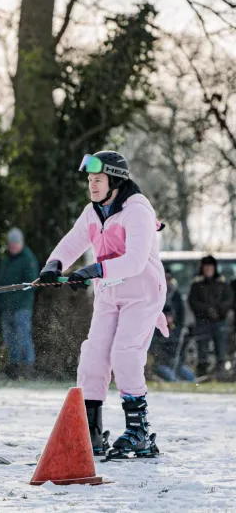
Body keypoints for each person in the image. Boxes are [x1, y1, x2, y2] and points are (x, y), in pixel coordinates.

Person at [38, 150, 167, 459]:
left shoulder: (137, 210)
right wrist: (53, 266)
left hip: (143, 293)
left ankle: (139, 432)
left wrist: (93, 269)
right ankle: (92, 432)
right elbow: (72, 242)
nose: (92, 186)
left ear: (116, 180)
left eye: (98, 180)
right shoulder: (93, 211)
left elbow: (135, 260)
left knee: (124, 354)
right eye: (90, 180)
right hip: (109, 293)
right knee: (94, 355)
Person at [0, 228, 39, 379]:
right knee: (10, 339)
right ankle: (13, 370)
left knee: (23, 337)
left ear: (21, 243)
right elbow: (1, 282)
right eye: (10, 244)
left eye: (15, 243)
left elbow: (31, 284)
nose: (12, 246)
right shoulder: (6, 259)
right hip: (6, 306)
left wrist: (17, 300)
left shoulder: (28, 259)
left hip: (22, 307)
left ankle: (27, 370)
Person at [187, 255, 234, 379]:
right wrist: (207, 310)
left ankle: (220, 375)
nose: (208, 269)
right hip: (203, 322)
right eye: (206, 267)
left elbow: (229, 300)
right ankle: (202, 376)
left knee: (221, 350)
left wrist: (219, 310)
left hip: (220, 321)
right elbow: (192, 302)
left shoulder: (222, 284)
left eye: (210, 267)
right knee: (202, 349)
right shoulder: (196, 284)